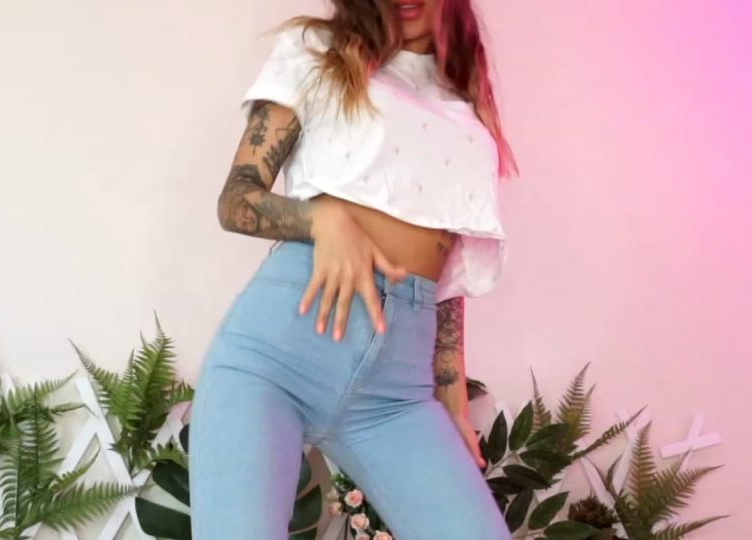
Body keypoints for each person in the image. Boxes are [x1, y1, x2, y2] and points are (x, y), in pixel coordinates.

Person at [188, 0, 517, 537]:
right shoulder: (318, 51)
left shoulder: (462, 100)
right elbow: (237, 200)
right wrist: (323, 220)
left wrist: (452, 394)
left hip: (397, 393)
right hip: (275, 359)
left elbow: (450, 268)